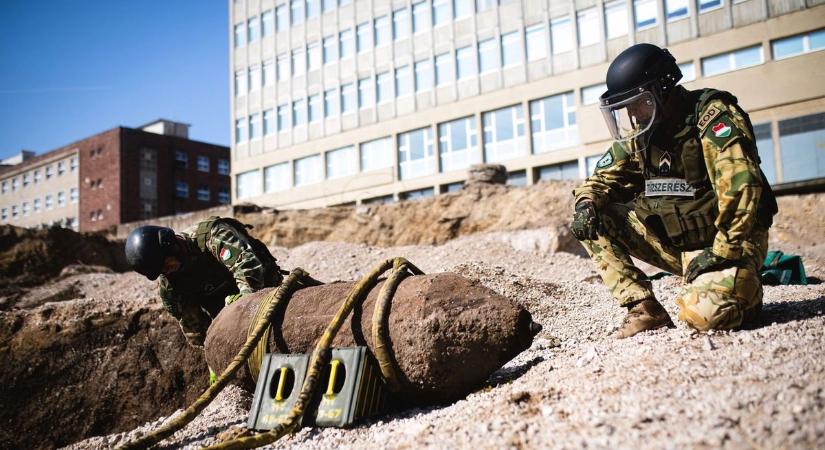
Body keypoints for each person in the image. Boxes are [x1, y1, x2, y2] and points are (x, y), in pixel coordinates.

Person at [571, 43, 777, 338]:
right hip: (677, 245)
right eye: (625, 106)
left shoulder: (711, 116)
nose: (631, 112)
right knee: (594, 217)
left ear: (661, 89)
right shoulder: (642, 133)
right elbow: (602, 179)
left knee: (703, 316)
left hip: (729, 244)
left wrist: (723, 251)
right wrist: (586, 203)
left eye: (637, 101)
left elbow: (741, 185)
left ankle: (741, 286)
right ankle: (643, 309)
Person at [125, 216, 283, 346]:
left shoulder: (212, 235)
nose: (167, 271)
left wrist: (243, 306)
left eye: (166, 264)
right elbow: (194, 326)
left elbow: (246, 265)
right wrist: (211, 352)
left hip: (265, 289)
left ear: (171, 247)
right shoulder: (171, 287)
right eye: (161, 271)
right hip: (230, 319)